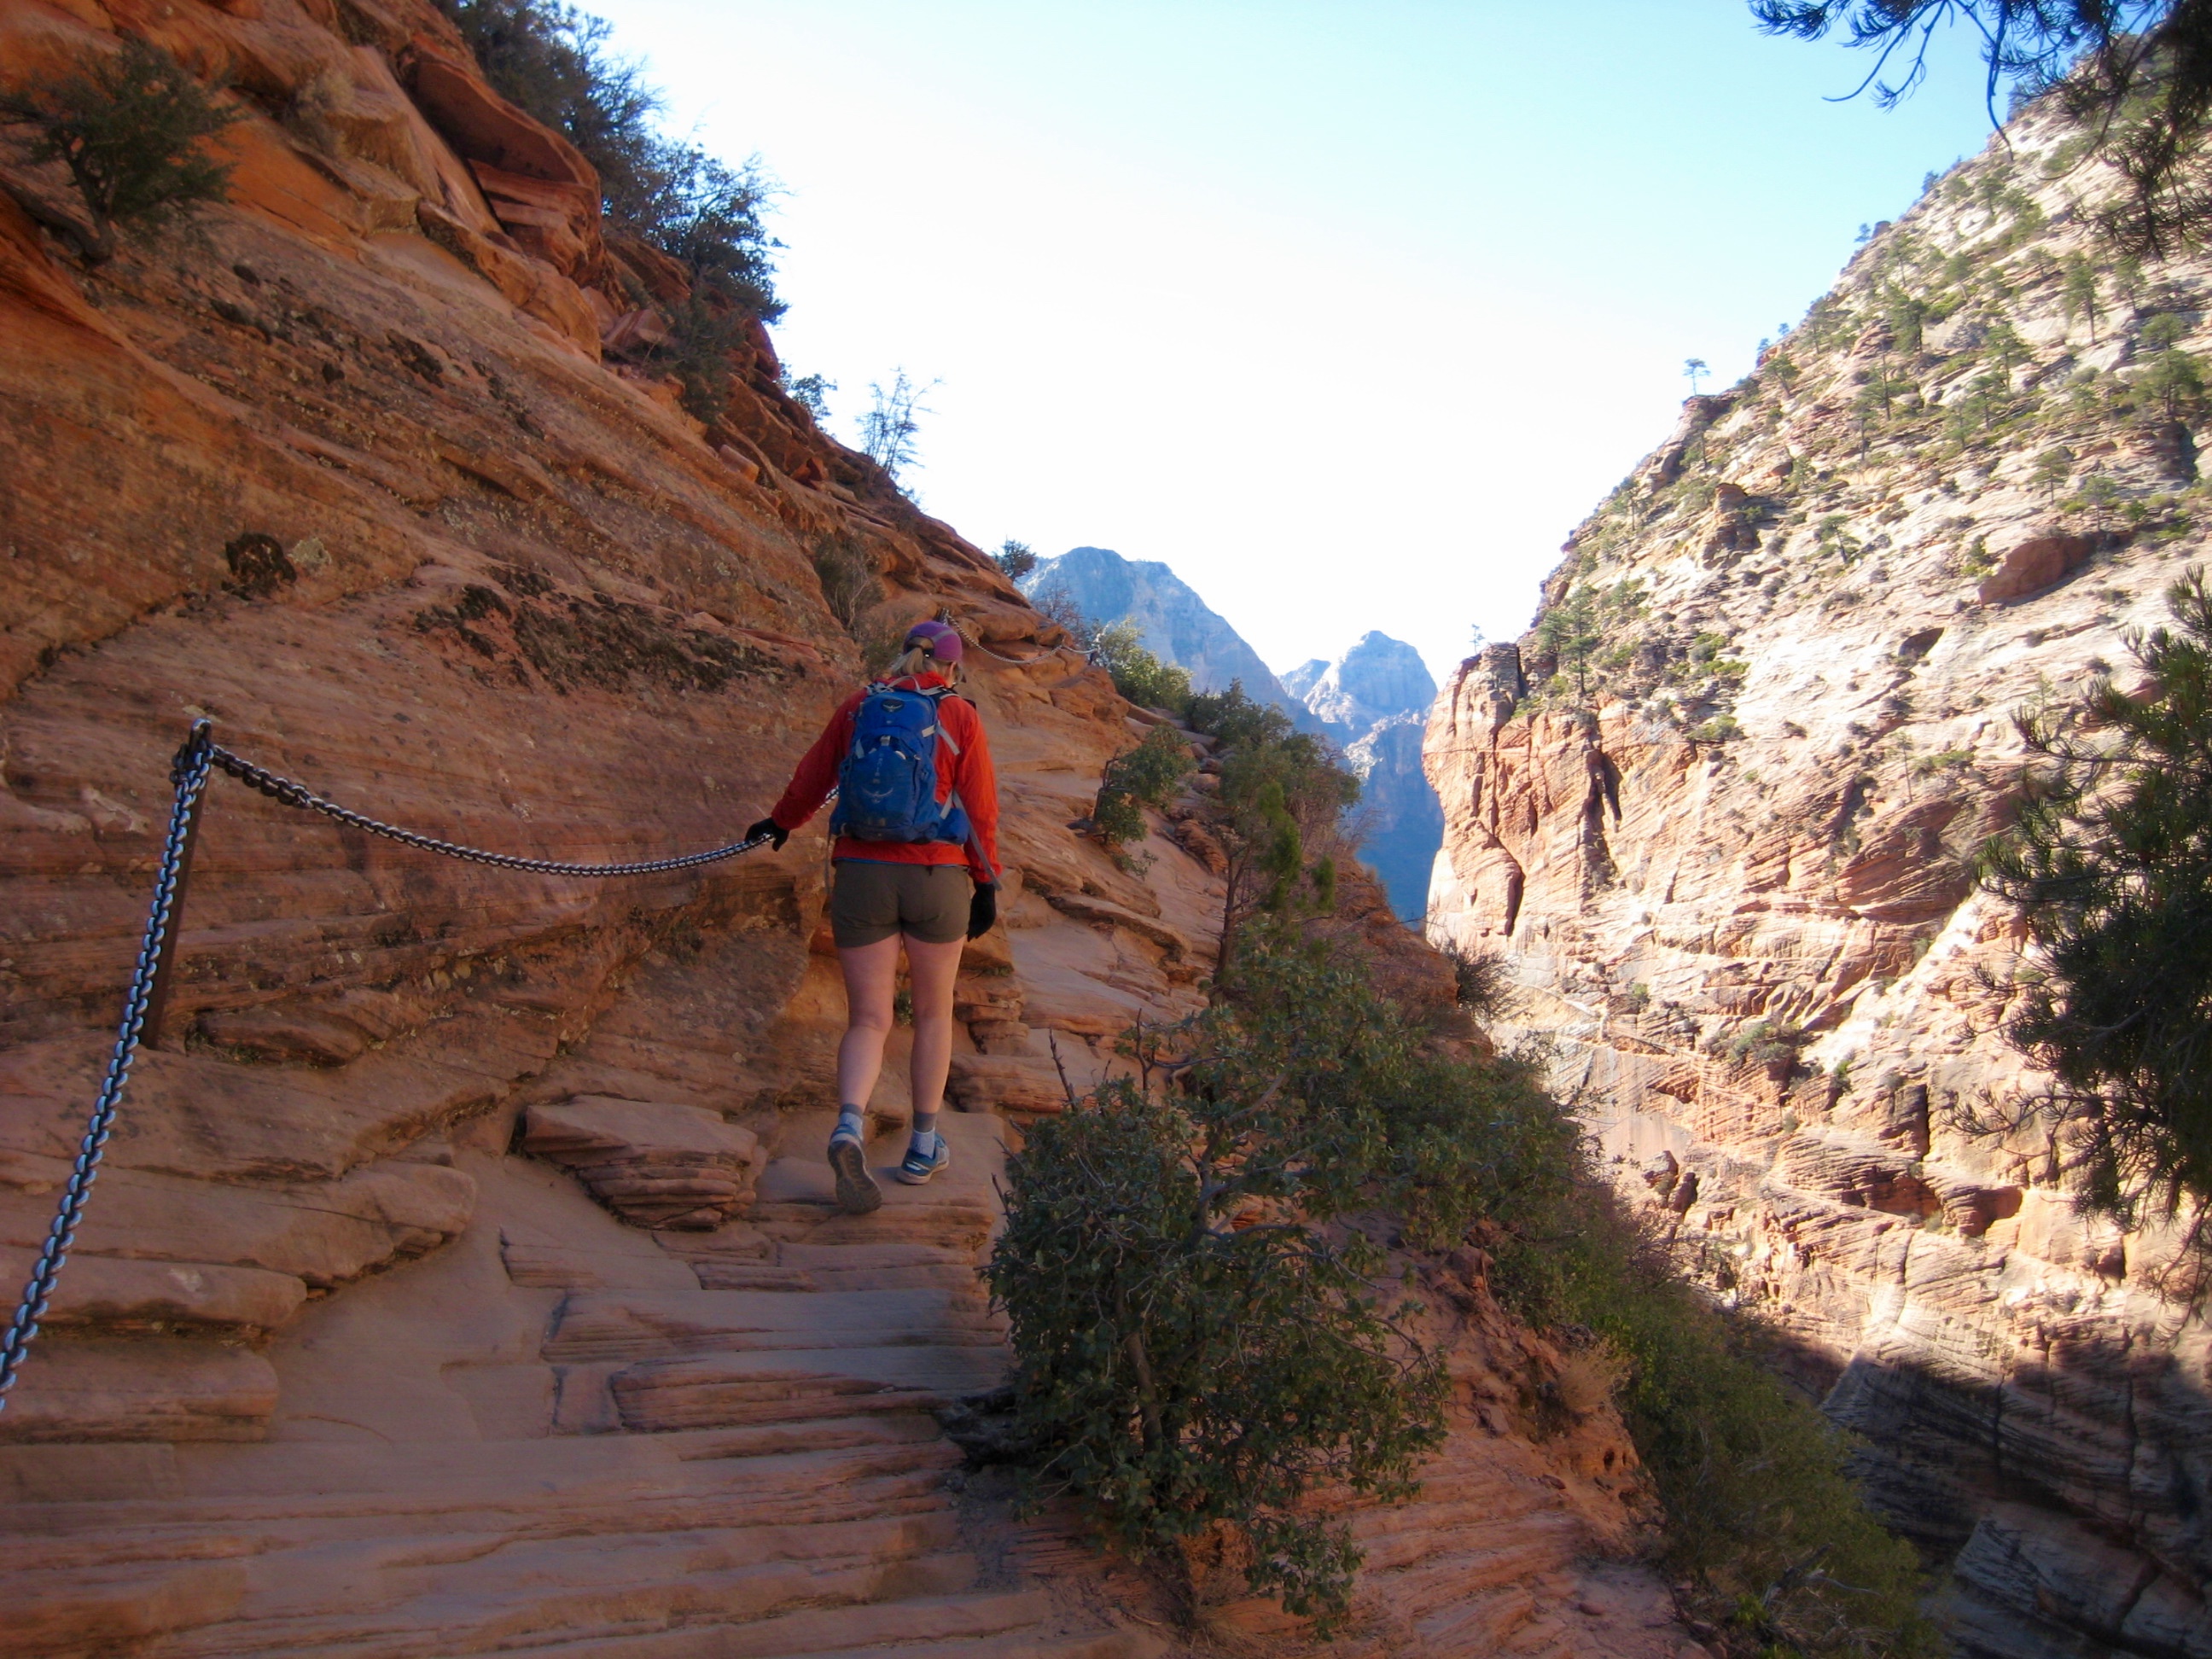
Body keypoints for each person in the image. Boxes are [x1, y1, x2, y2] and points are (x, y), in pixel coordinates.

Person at [747, 620, 1001, 1214]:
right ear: (952, 668)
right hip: (937, 875)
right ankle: (922, 1147)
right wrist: (986, 880)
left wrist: (781, 822)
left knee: (867, 1019)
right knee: (933, 1014)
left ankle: (848, 1126)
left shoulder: (860, 704)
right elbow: (982, 808)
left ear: (902, 653)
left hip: (861, 872)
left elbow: (815, 775)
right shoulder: (959, 714)